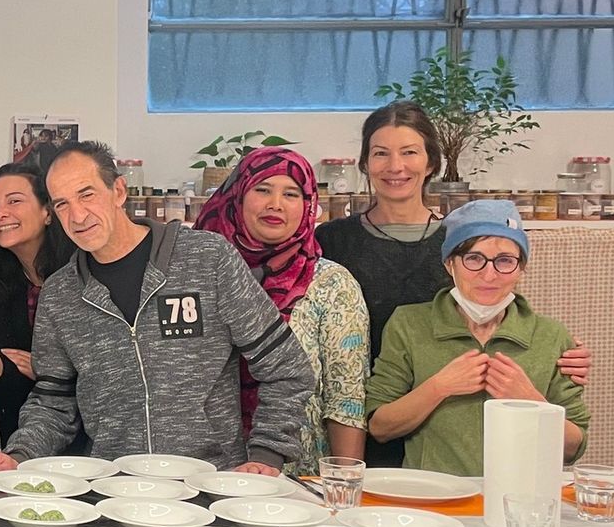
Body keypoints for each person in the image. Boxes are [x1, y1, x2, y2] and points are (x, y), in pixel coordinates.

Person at [0, 141, 315, 478]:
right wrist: (19, 455)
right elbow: (53, 402)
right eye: (62, 204)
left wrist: (267, 453)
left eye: (87, 195)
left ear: (119, 191)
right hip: (114, 489)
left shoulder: (207, 258)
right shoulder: (60, 294)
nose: (77, 216)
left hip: (211, 482)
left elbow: (287, 367)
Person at [318, 101, 590, 464]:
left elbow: (497, 303)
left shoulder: (463, 240)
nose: (395, 166)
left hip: (443, 424)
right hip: (363, 417)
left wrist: (560, 353)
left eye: (409, 152)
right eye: (381, 153)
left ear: (431, 162)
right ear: (365, 163)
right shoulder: (332, 240)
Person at [365, 200, 589, 477]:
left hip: (520, 496)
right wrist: (439, 387)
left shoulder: (551, 337)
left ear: (521, 269)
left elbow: (573, 447)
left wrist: (531, 402)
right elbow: (380, 427)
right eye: (473, 258)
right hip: (434, 495)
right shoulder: (409, 325)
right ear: (450, 264)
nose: (489, 275)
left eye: (505, 261)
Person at [193, 146, 368, 475]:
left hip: (294, 479)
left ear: (308, 205)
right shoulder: (193, 275)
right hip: (200, 472)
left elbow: (345, 399)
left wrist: (344, 484)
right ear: (237, 196)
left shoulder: (331, 284)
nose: (275, 204)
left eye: (291, 194)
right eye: (262, 190)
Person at [0, 161, 69, 441]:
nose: (1, 213)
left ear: (48, 212)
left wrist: (46, 368)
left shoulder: (79, 270)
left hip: (78, 424)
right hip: (14, 426)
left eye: (14, 201)